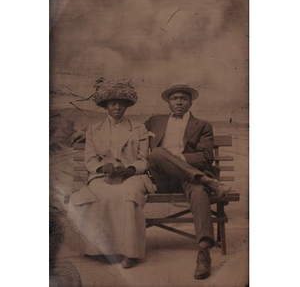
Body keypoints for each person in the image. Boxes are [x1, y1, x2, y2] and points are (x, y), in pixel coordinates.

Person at [144, 83, 231, 280]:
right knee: (157, 153)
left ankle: (203, 253)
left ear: (191, 102)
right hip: (163, 179)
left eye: (183, 99)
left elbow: (205, 157)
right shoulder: (154, 122)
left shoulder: (202, 126)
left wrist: (177, 159)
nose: (179, 102)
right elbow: (128, 131)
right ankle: (208, 181)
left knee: (199, 191)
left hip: (188, 178)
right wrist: (84, 133)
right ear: (168, 102)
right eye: (175, 99)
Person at [68, 77, 155, 269]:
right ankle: (102, 249)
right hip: (103, 177)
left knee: (128, 194)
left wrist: (130, 169)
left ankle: (130, 252)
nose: (117, 108)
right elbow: (90, 159)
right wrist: (101, 167)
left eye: (121, 104)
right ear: (105, 106)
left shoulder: (139, 129)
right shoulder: (94, 130)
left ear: (127, 106)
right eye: (113, 104)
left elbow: (143, 160)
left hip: (133, 176)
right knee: (99, 193)